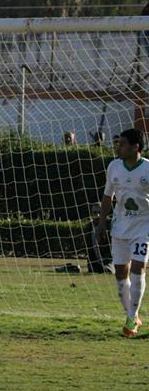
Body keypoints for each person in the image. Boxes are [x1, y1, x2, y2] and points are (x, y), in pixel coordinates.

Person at [95, 128, 149, 337]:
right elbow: (108, 196)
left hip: (144, 226)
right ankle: (132, 315)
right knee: (120, 273)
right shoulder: (114, 166)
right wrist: (101, 223)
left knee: (138, 267)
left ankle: (131, 318)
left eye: (123, 144)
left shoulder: (147, 169)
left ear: (135, 147)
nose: (118, 147)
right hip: (120, 226)